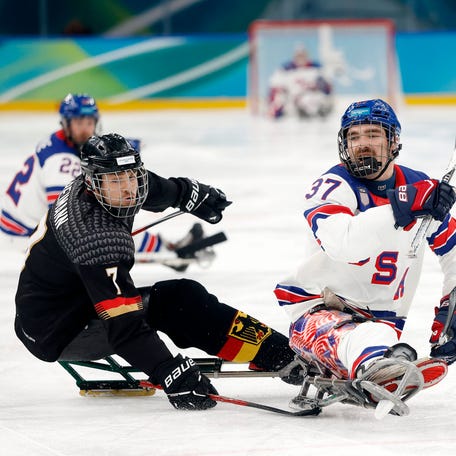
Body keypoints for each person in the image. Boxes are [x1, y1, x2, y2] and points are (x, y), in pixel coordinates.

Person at [15, 133, 301, 411]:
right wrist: (170, 372)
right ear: (92, 181)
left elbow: (149, 186)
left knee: (178, 299)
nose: (129, 188)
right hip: (58, 331)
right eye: (117, 181)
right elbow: (124, 328)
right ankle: (278, 354)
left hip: (61, 303)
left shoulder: (102, 185)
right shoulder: (97, 238)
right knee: (180, 302)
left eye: (131, 176)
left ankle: (273, 350)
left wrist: (190, 194)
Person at [274, 99, 454, 403]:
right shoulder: (331, 186)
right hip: (317, 312)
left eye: (373, 134)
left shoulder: (417, 187)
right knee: (363, 339)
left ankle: (382, 367)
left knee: (379, 336)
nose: (362, 144)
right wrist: (404, 204)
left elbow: (452, 250)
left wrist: (453, 302)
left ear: (393, 140)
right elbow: (343, 244)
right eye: (353, 137)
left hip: (381, 323)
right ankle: (378, 370)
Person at [0, 93, 211, 270]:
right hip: (25, 234)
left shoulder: (60, 141)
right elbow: (64, 219)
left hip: (18, 223)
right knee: (106, 219)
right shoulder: (61, 163)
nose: (85, 129)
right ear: (66, 124)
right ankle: (168, 250)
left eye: (89, 123)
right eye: (79, 123)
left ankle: (165, 246)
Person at [268, 46, 333, 119]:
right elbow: (275, 86)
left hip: (314, 100)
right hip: (294, 103)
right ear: (294, 57)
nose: (301, 58)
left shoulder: (316, 68)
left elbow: (327, 87)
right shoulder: (286, 69)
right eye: (299, 56)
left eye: (303, 55)